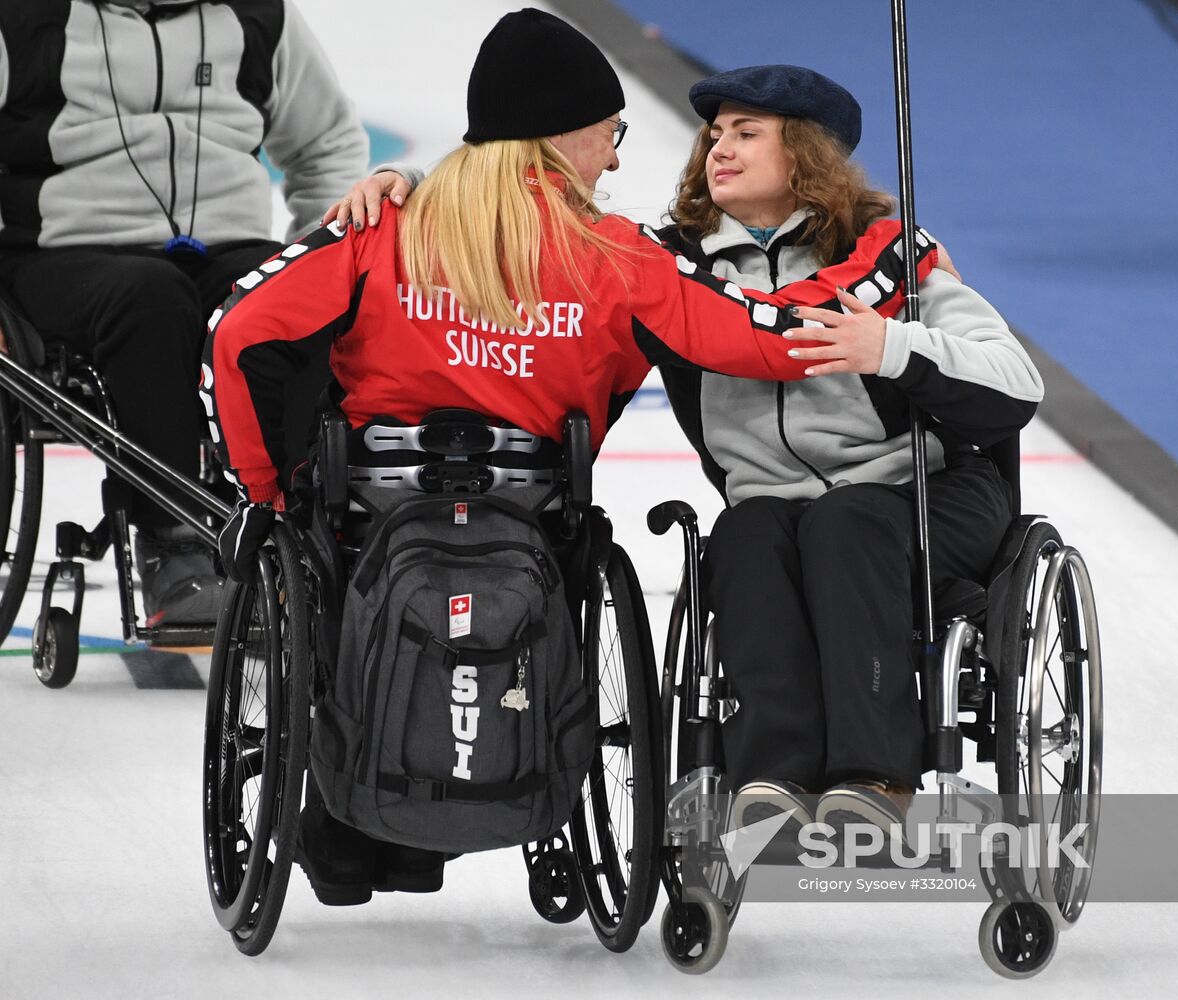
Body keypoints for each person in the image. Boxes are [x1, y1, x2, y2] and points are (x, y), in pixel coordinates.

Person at [203, 9, 909, 905]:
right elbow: (773, 340)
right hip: (532, 516)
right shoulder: (620, 256)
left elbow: (240, 333)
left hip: (370, 511)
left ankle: (355, 818)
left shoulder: (384, 225)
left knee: (335, 556)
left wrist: (266, 489)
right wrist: (889, 248)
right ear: (568, 133)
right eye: (612, 136)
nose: (616, 159)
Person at [654, 65, 1043, 836]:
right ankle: (771, 779)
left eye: (746, 133)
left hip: (927, 498)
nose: (717, 150)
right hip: (777, 508)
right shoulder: (677, 272)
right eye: (714, 134)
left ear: (805, 152)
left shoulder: (893, 259)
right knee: (747, 532)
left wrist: (892, 345)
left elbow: (1016, 383)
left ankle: (874, 775)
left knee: (847, 519)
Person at [0, 0, 368, 625]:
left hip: (223, 245)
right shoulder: (25, 17)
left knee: (286, 307)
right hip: (62, 249)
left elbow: (327, 141)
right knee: (153, 299)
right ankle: (172, 543)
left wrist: (316, 255)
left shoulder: (260, 16)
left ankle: (297, 532)